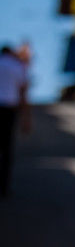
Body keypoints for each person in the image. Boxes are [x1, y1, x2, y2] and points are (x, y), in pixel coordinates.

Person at [0, 44, 31, 198]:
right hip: (9, 111)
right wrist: (26, 118)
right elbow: (23, 92)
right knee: (6, 149)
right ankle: (4, 187)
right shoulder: (16, 67)